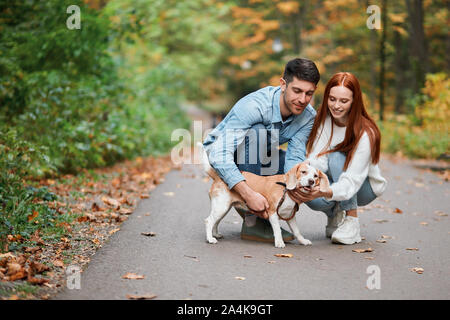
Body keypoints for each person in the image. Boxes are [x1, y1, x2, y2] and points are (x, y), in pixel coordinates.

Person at [203, 58, 320, 242]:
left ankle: (272, 211)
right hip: (224, 155)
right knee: (256, 133)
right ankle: (253, 222)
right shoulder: (254, 106)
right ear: (283, 84)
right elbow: (219, 154)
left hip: (262, 155)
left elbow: (294, 158)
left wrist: (295, 189)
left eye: (309, 93)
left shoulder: (308, 116)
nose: (302, 100)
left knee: (306, 170)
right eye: (297, 91)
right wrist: (249, 194)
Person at [288, 72, 387, 245]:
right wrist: (306, 170)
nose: (336, 106)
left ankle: (351, 219)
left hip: (364, 187)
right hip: (338, 180)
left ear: (354, 101)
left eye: (344, 101)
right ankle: (335, 214)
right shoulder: (324, 120)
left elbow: (352, 181)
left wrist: (326, 191)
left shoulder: (366, 132)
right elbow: (319, 159)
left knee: (336, 155)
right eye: (332, 99)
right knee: (311, 195)